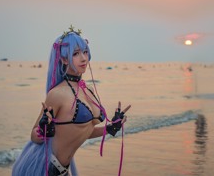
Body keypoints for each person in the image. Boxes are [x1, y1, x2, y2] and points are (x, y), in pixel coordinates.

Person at [12, 25, 131, 176]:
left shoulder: (88, 90)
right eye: (76, 53)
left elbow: (82, 131)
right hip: (46, 168)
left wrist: (110, 128)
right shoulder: (57, 94)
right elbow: (34, 137)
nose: (83, 58)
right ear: (63, 59)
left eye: (85, 52)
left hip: (63, 170)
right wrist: (43, 129)